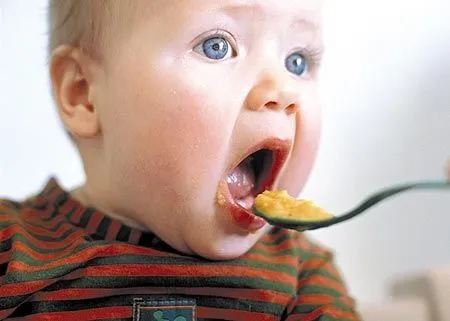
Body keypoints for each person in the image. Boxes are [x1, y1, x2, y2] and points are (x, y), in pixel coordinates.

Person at [0, 0, 362, 320]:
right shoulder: (10, 247)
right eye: (217, 47)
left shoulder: (305, 276)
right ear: (84, 94)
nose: (284, 91)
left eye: (297, 62)